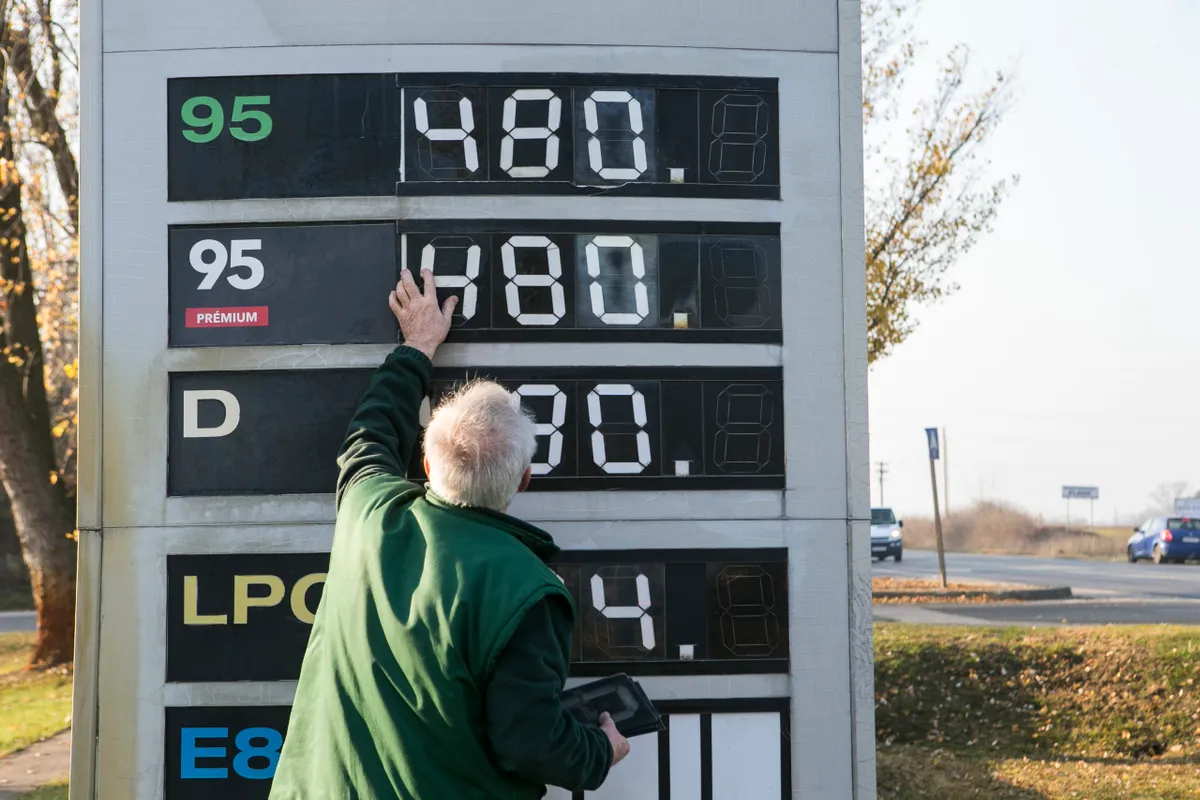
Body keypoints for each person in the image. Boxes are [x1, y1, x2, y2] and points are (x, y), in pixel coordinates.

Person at [269, 268, 630, 799]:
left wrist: (417, 347)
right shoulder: (528, 592)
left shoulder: (369, 514)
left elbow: (369, 437)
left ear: (425, 464)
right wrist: (599, 751)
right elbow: (530, 743)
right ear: (524, 480)